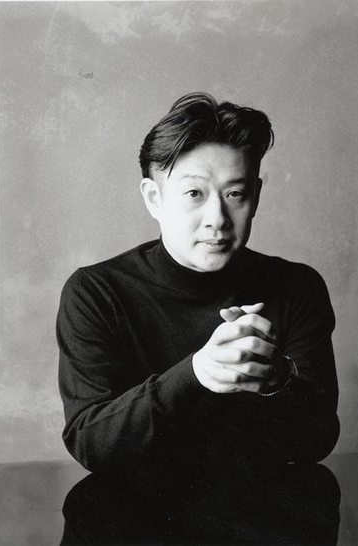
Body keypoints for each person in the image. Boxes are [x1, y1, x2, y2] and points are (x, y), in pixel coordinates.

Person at [57, 92, 339, 496]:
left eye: (235, 194)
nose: (217, 219)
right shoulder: (95, 292)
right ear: (154, 198)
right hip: (137, 515)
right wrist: (197, 373)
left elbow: (317, 442)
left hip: (261, 512)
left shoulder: (296, 286)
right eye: (194, 194)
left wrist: (276, 379)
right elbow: (90, 443)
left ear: (256, 196)